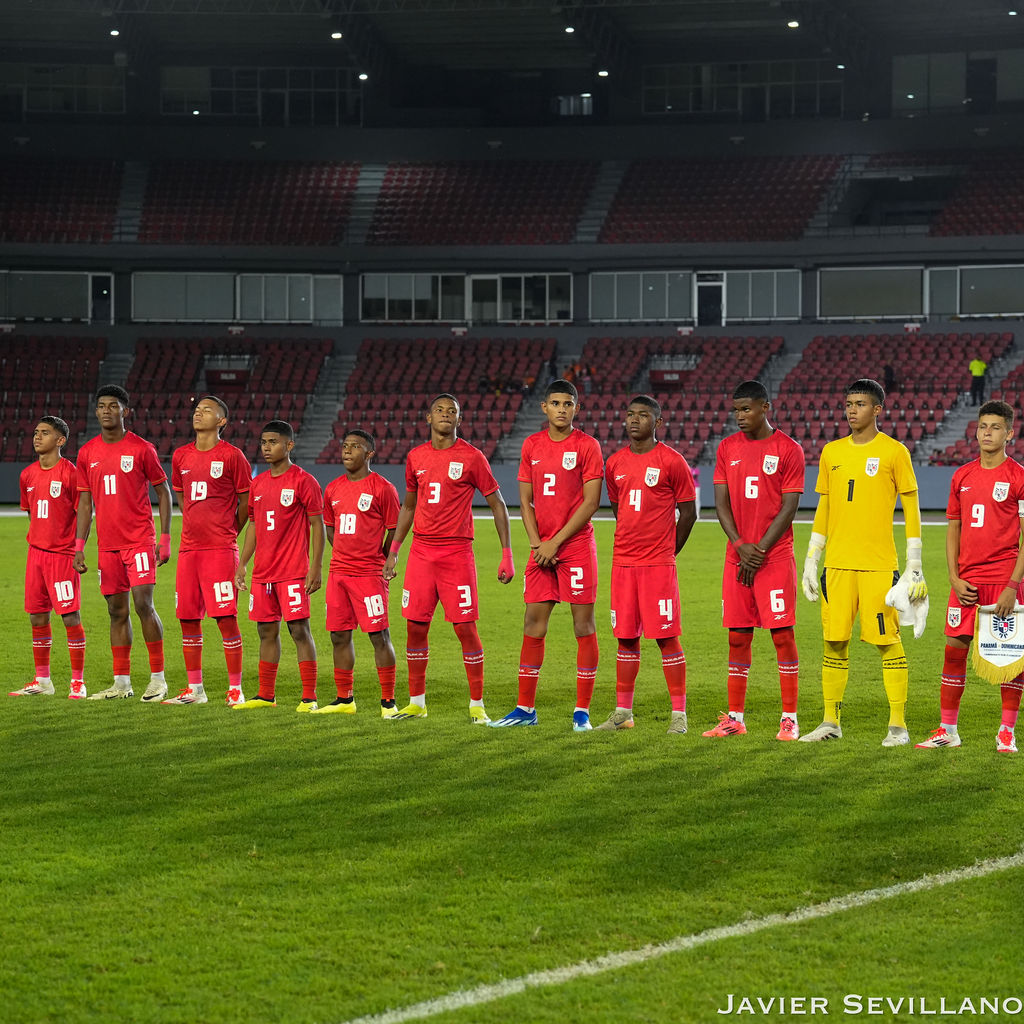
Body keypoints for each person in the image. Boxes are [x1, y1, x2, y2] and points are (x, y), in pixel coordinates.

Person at [800, 378, 928, 746]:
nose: (852, 409)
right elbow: (825, 506)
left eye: (859, 403)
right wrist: (812, 557)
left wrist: (914, 563)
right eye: (848, 403)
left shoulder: (894, 452)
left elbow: (912, 506)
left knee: (888, 642)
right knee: (834, 642)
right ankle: (829, 722)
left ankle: (898, 727)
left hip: (877, 567)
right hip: (837, 566)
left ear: (878, 409)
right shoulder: (832, 452)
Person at [383, 393, 515, 723]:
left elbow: (498, 503)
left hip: (457, 554)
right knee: (415, 626)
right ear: (428, 418)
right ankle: (417, 703)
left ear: (460, 420)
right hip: (422, 554)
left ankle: (477, 705)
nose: (445, 414)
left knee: (466, 629)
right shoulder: (416, 457)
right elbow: (409, 506)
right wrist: (394, 552)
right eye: (439, 410)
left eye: (451, 411)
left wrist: (507, 554)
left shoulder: (472, 457)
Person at [490, 379, 603, 730]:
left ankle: (581, 712)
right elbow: (524, 500)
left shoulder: (588, 446)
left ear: (576, 409)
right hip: (542, 550)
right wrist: (538, 543)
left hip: (576, 547)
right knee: (533, 625)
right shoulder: (532, 444)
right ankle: (525, 709)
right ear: (544, 407)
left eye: (568, 404)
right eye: (555, 403)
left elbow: (591, 502)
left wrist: (556, 543)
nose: (561, 409)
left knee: (582, 626)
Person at [916, 401, 1024, 753]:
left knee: (1010, 659)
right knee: (953, 651)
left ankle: (1006, 732)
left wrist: (1011, 587)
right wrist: (953, 576)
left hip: (1004, 581)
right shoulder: (961, 475)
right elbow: (953, 531)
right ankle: (948, 729)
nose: (987, 433)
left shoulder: (1018, 477)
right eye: (982, 427)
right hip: (966, 582)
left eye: (995, 427)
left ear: (1010, 433)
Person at [706, 380, 804, 740]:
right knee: (737, 636)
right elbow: (721, 503)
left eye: (747, 409)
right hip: (737, 558)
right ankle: (734, 718)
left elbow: (789, 507)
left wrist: (757, 550)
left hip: (774, 558)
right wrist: (739, 544)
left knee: (782, 635)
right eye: (736, 410)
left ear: (766, 407)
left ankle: (790, 718)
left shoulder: (788, 449)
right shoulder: (726, 448)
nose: (740, 416)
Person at [596, 395, 696, 732]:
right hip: (623, 563)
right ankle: (623, 713)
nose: (634, 420)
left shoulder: (672, 461)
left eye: (642, 415)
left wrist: (669, 551)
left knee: (667, 637)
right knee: (625, 638)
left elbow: (690, 513)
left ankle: (679, 715)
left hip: (657, 566)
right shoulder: (614, 463)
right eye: (629, 414)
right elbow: (617, 507)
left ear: (658, 421)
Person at [74, 385, 172, 701]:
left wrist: (165, 537)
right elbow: (85, 504)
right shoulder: (87, 452)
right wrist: (79, 546)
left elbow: (164, 493)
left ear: (124, 411)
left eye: (112, 406)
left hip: (140, 541)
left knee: (143, 604)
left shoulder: (142, 449)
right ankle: (121, 683)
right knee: (116, 612)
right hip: (108, 547)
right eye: (101, 406)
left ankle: (158, 679)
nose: (105, 411)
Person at [163, 395, 251, 706]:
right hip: (189, 552)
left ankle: (235, 689)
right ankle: (195, 689)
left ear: (222, 421)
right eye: (197, 409)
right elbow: (182, 499)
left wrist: (228, 532)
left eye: (207, 411)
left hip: (220, 551)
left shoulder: (233, 456)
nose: (199, 414)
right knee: (187, 618)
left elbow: (245, 504)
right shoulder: (181, 456)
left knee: (225, 618)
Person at [233, 420, 325, 712]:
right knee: (266, 632)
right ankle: (265, 695)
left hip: (294, 572)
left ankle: (309, 697)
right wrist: (243, 563)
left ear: (289, 445)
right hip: (263, 574)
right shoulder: (257, 484)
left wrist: (316, 567)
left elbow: (317, 525)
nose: (267, 447)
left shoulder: (303, 481)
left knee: (299, 630)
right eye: (263, 442)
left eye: (273, 442)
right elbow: (254, 527)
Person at [315, 429, 401, 718]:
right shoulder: (333, 488)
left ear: (369, 454)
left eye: (355, 447)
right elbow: (330, 527)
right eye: (345, 446)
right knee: (338, 636)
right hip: (339, 573)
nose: (347, 451)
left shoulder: (383, 487)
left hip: (369, 574)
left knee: (378, 635)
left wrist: (385, 556)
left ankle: (388, 702)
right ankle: (344, 699)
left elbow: (394, 528)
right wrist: (343, 550)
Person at [9, 417, 87, 699]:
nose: (37, 437)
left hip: (62, 556)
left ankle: (77, 682)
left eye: (45, 433)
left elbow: (84, 513)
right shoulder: (27, 475)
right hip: (36, 556)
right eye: (36, 432)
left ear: (61, 440)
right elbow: (32, 515)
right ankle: (43, 681)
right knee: (37, 617)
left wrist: (78, 548)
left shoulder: (71, 473)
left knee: (69, 617)